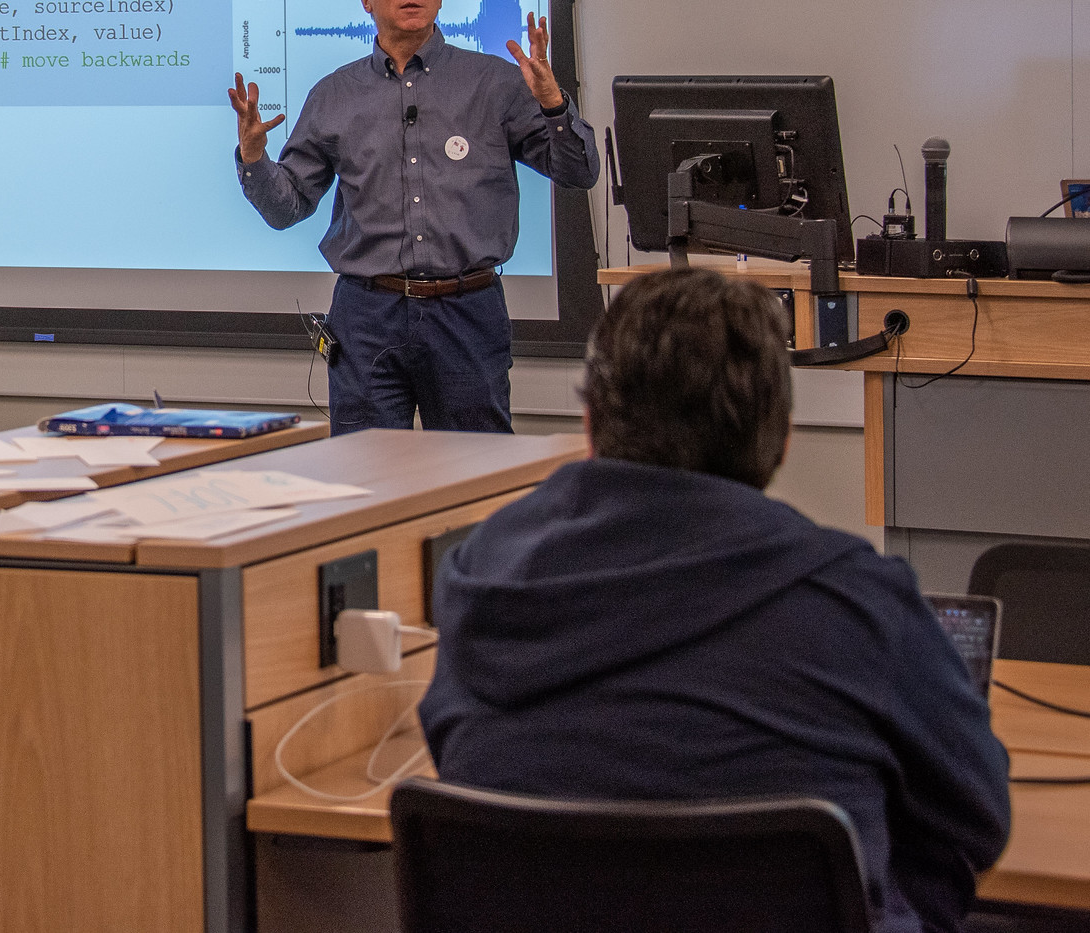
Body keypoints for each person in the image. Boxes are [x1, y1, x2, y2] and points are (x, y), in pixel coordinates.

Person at [418, 268, 1011, 933]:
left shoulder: (479, 578)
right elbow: (975, 817)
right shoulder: (858, 602)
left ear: (588, 424)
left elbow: (454, 760)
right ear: (781, 437)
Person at [230, 0, 598, 434]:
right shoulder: (334, 95)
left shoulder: (496, 84)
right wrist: (253, 158)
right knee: (366, 473)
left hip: (467, 311)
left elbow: (577, 172)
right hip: (366, 316)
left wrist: (554, 104)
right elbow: (286, 208)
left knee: (475, 474)